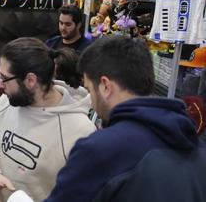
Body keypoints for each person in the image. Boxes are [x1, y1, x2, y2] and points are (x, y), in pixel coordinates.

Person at [40, 36, 206, 202]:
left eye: (90, 90)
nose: (91, 100)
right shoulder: (195, 145)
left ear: (105, 86)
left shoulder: (99, 150)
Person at [0, 37, 96, 202]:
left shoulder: (80, 132)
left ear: (30, 81)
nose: (0, 85)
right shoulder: (6, 102)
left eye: (4, 78)